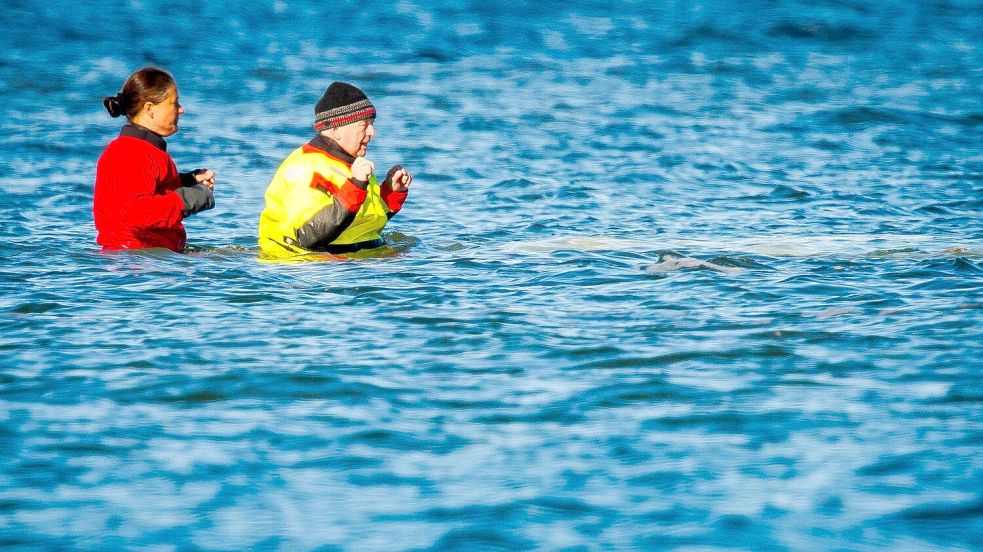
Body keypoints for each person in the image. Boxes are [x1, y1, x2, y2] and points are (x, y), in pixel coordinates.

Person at [258, 81, 412, 257]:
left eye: (372, 123)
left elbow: (363, 221)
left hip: (355, 261)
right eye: (364, 125)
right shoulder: (305, 167)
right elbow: (310, 235)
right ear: (336, 129)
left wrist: (391, 193)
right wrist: (356, 186)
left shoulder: (351, 165)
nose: (372, 132)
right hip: (307, 268)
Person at [93, 67, 216, 252]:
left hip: (146, 257)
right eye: (174, 103)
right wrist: (186, 200)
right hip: (135, 262)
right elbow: (136, 213)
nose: (181, 110)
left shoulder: (143, 149)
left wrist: (189, 181)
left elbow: (150, 186)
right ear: (149, 109)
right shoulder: (129, 152)